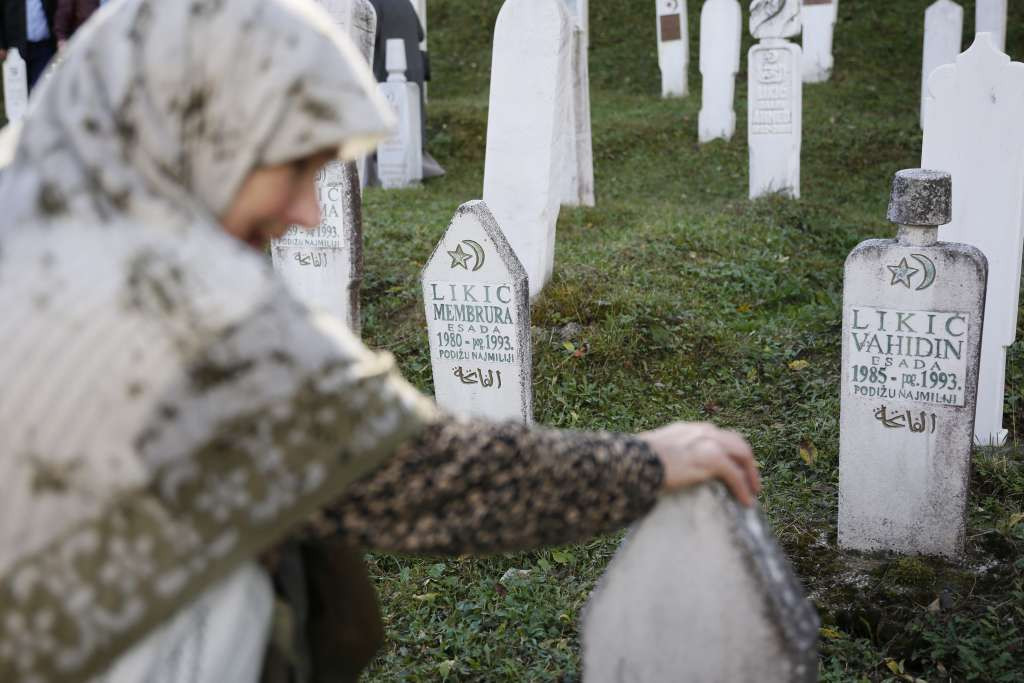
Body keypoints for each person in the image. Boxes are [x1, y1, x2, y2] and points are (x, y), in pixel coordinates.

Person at [0, 1, 760, 681]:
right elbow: (420, 474)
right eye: (293, 166)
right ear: (201, 130)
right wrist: (647, 462)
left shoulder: (46, 214)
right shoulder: (175, 303)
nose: (305, 210)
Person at [0, 0, 58, 90]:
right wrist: (2, 45)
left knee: (41, 89)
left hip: (44, 47)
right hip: (16, 49)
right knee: (18, 91)